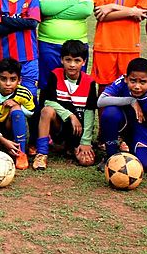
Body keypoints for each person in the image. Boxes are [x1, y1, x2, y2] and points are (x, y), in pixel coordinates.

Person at [34, 0, 94, 93]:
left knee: (75, 85)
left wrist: (53, 14)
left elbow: (86, 9)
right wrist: (72, 2)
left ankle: (74, 115)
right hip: (48, 43)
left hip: (78, 43)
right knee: (49, 85)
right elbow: (43, 8)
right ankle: (46, 114)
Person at [33, 40, 98, 170]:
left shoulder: (89, 82)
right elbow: (47, 101)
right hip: (60, 126)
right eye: (68, 60)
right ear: (62, 60)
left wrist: (86, 142)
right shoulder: (55, 75)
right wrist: (70, 116)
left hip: (77, 132)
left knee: (86, 162)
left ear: (84, 62)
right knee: (47, 111)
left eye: (77, 60)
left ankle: (70, 147)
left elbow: (90, 112)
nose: (72, 65)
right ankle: (42, 153)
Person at [97, 58, 147, 178]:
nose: (137, 86)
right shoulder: (121, 82)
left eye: (142, 82)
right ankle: (111, 156)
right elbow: (101, 101)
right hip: (125, 122)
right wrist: (131, 101)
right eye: (133, 81)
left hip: (143, 131)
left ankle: (129, 150)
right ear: (126, 78)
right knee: (110, 113)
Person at [0, 58, 35, 170]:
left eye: (13, 79)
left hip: (11, 125)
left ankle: (21, 152)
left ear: (19, 80)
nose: (8, 84)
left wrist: (17, 105)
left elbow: (31, 113)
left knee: (17, 111)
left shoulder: (24, 93)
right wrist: (2, 140)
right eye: (3, 79)